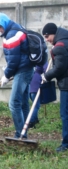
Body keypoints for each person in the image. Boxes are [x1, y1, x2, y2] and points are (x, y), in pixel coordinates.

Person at [0, 13, 34, 139]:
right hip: (27, 69)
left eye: (0, 26)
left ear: (5, 23)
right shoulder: (18, 28)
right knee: (23, 103)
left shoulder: (11, 34)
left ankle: (19, 134)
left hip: (22, 71)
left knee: (13, 103)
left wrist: (6, 75)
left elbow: (14, 60)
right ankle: (24, 133)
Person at [41, 23, 68, 152]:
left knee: (65, 114)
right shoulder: (65, 41)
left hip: (66, 85)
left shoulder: (60, 46)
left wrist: (47, 76)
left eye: (47, 36)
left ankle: (66, 144)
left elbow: (60, 68)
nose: (47, 39)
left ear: (54, 33)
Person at [28, 62, 48, 128]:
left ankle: (36, 120)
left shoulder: (32, 59)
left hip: (30, 86)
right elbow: (46, 71)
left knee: (34, 105)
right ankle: (31, 122)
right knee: (36, 106)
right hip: (36, 85)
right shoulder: (43, 59)